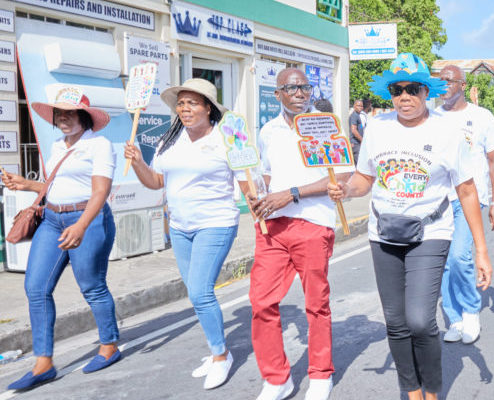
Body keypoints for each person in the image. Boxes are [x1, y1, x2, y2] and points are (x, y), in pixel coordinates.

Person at [328, 52, 494, 400]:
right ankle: (413, 391)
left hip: (430, 233)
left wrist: (480, 250)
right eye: (397, 90)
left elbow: (466, 190)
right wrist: (346, 190)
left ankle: (432, 391)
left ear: (426, 91)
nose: (404, 96)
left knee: (420, 320)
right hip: (384, 233)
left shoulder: (448, 131)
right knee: (396, 322)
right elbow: (364, 178)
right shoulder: (377, 127)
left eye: (412, 89)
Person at [123, 78, 240, 389]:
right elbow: (156, 181)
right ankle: (216, 349)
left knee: (201, 292)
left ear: (209, 108)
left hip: (216, 223)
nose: (185, 108)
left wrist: (259, 208)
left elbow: (246, 178)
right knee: (195, 293)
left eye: (192, 103)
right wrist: (137, 162)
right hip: (179, 226)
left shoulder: (226, 138)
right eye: (181, 103)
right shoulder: (169, 140)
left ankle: (220, 356)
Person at [3, 88, 120, 390]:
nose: (64, 118)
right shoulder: (57, 144)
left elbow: (100, 191)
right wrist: (27, 184)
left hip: (88, 220)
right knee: (36, 288)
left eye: (70, 113)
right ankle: (43, 363)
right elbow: (59, 185)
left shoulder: (100, 145)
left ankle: (109, 345)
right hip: (52, 220)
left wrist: (81, 226)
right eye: (59, 113)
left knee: (92, 286)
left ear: (84, 116)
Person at [246, 68, 340, 400]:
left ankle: (320, 373)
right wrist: (258, 193)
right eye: (291, 88)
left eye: (305, 87)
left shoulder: (324, 125)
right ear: (278, 94)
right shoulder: (268, 131)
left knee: (316, 302)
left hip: (312, 223)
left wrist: (291, 194)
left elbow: (339, 178)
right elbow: (268, 175)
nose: (300, 93)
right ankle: (276, 379)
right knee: (261, 302)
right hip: (272, 226)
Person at [435, 65, 494, 344]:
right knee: (444, 261)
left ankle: (470, 310)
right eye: (439, 81)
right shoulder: (433, 117)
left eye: (448, 81)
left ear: (462, 85)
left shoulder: (481, 117)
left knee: (459, 257)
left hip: (470, 197)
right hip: (439, 199)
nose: (443, 85)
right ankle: (454, 318)